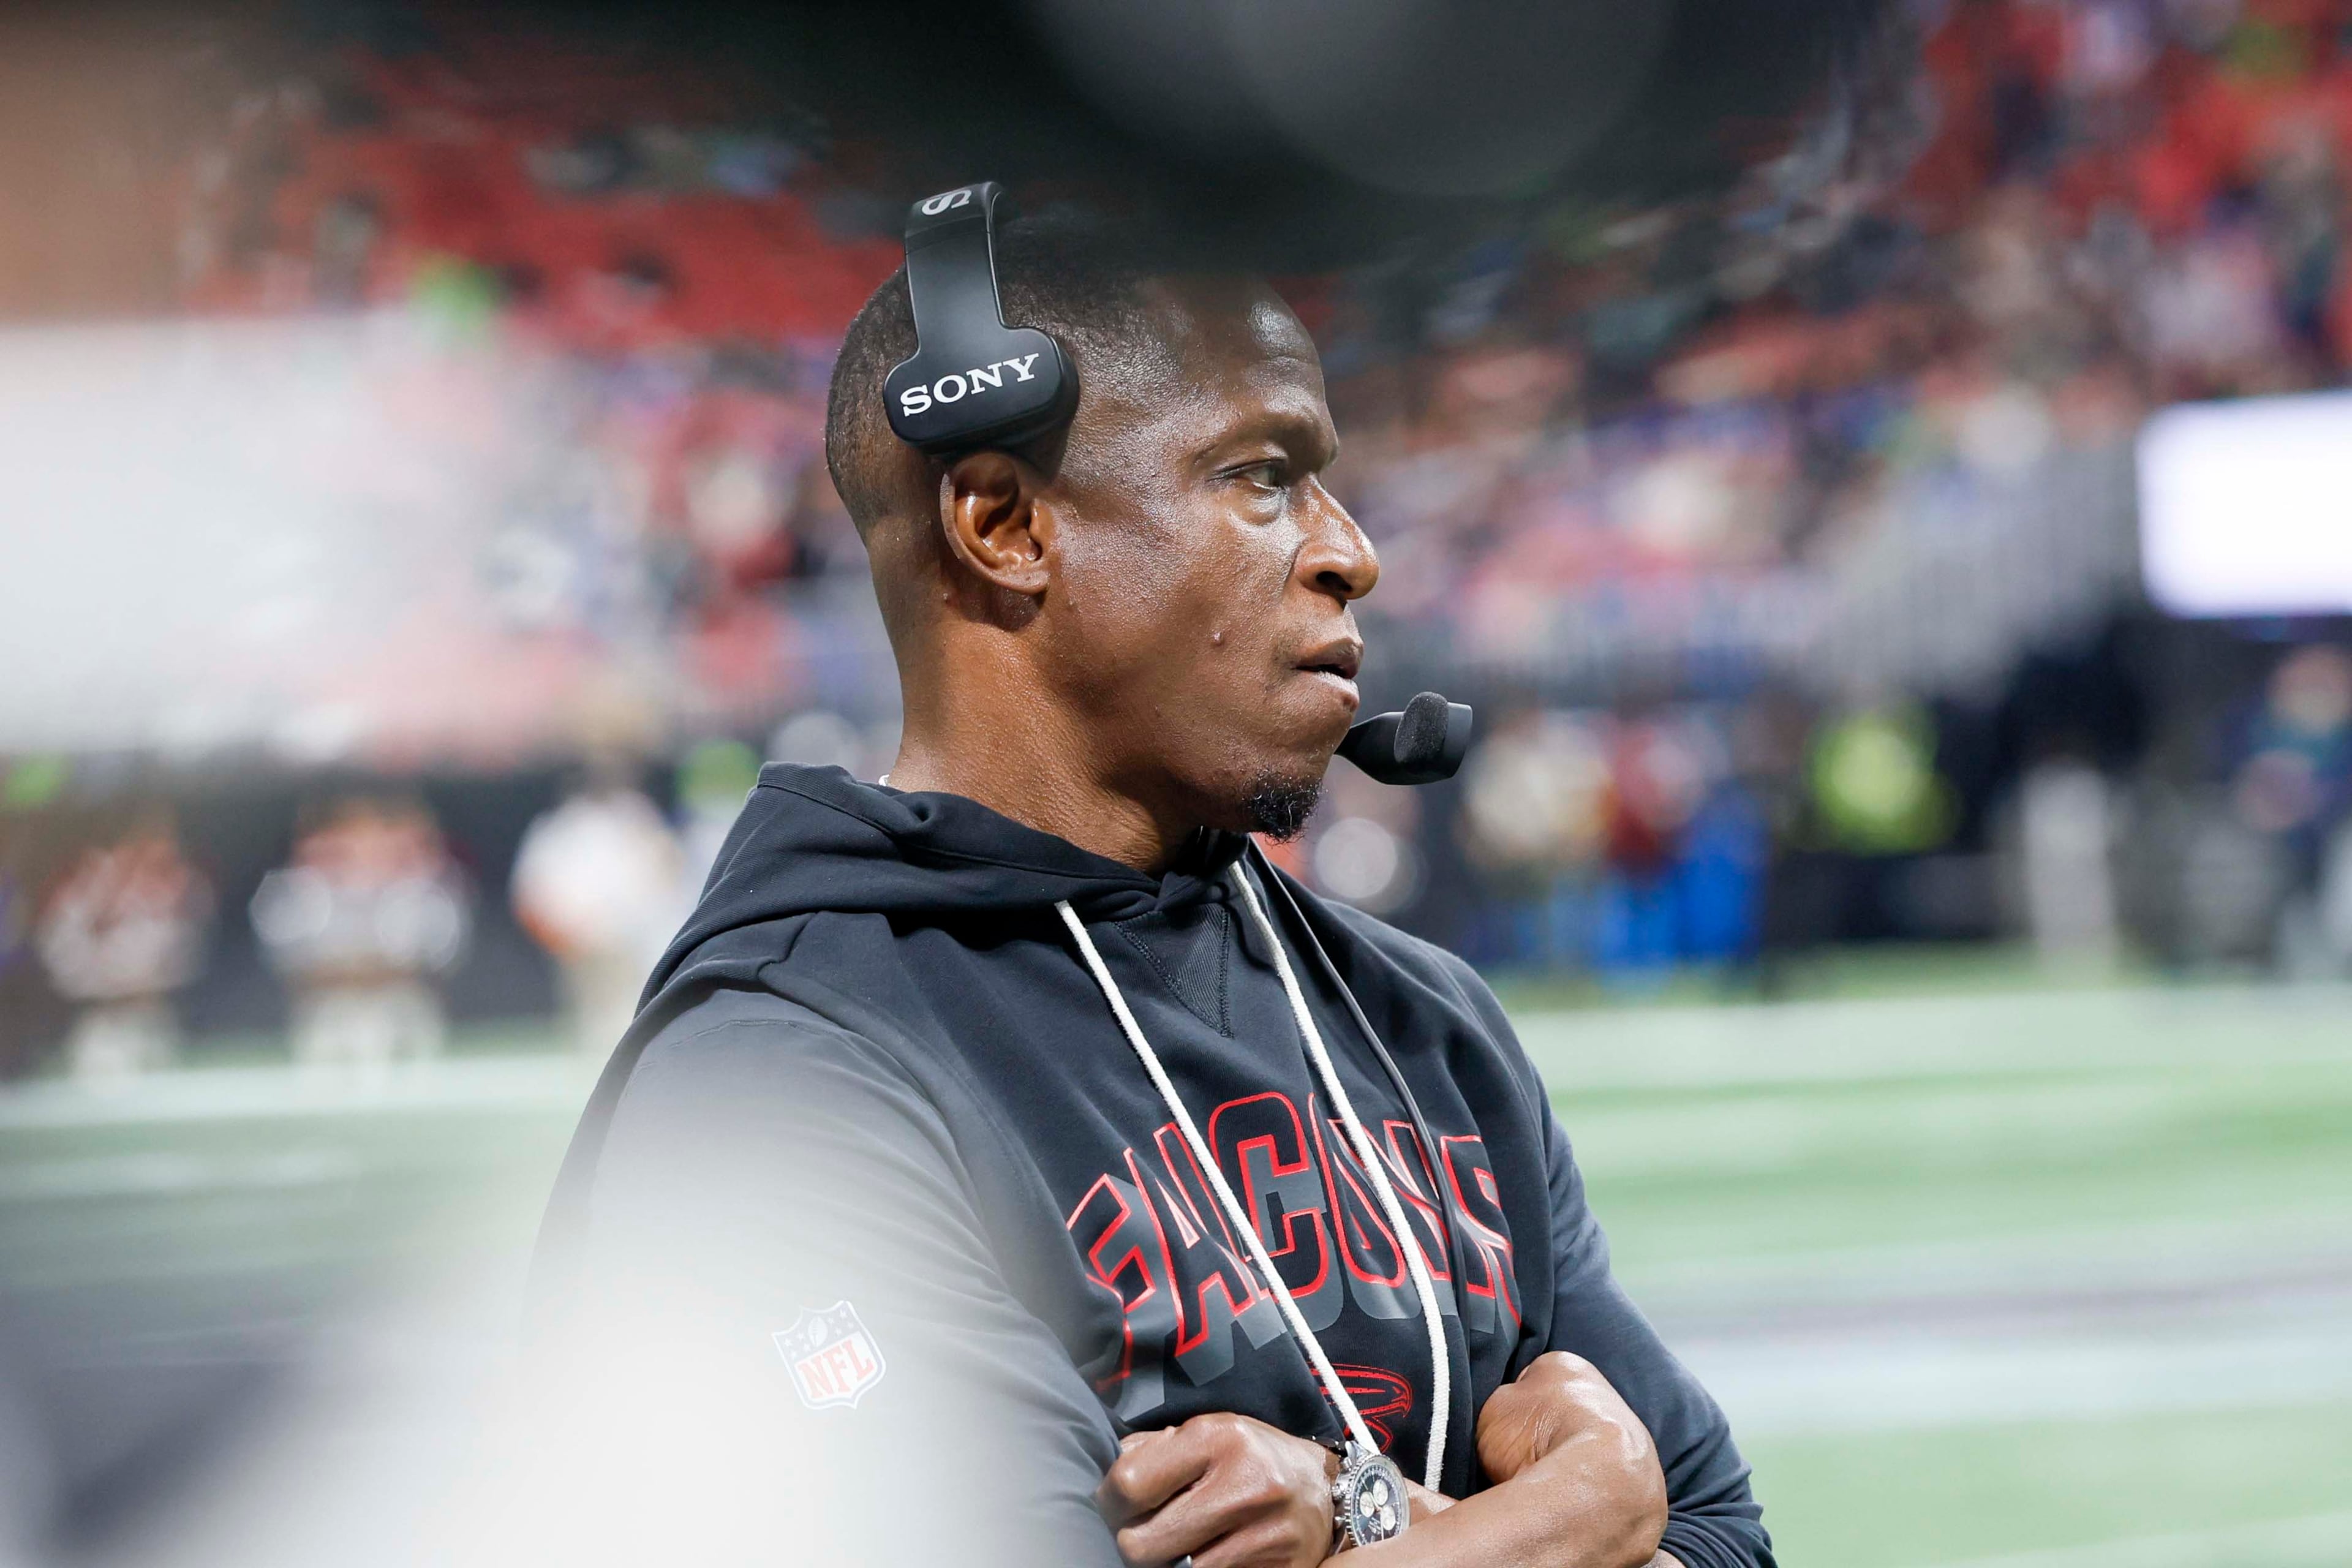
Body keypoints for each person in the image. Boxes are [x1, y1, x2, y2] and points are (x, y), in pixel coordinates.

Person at [527, 214, 1765, 1568]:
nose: (1353, 551)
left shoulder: (1427, 1018)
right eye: (1263, 477)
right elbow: (1645, 1512)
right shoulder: (775, 1081)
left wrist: (1358, 1515)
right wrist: (1580, 1510)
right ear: (1004, 524)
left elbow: (1723, 1532)